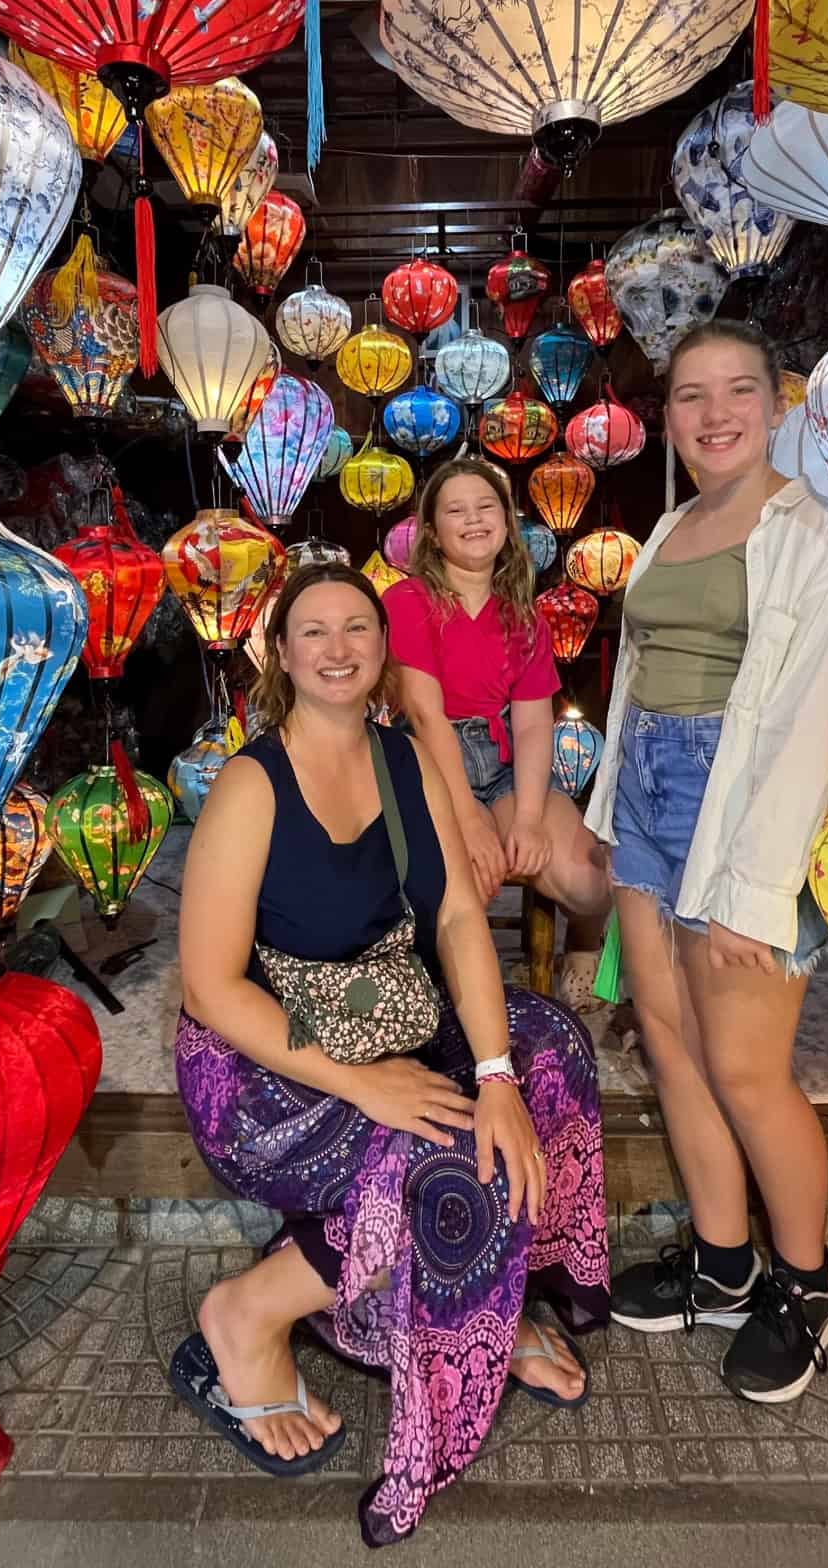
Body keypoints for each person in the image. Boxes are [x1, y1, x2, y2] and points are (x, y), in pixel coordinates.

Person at [173, 563, 609, 1547]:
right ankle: (244, 1313)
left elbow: (458, 911)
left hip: (391, 1011)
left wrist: (495, 1075)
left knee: (550, 1050)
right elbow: (209, 985)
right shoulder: (251, 782)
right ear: (281, 653)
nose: (338, 647)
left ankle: (496, 1298)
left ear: (383, 646)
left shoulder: (404, 753)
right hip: (264, 1066)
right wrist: (363, 1081)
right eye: (313, 631)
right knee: (433, 1152)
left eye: (357, 627)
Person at [585, 320, 828, 1405]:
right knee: (672, 1041)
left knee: (748, 1064)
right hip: (654, 803)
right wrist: (615, 813)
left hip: (745, 807)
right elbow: (636, 681)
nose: (715, 413)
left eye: (737, 389)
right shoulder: (669, 527)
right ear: (669, 417)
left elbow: (813, 728)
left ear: (774, 404)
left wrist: (759, 891)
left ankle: (807, 1281)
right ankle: (722, 1260)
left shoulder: (813, 541)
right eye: (693, 395)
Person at [385, 458, 610, 1005]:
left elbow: (533, 722)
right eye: (455, 511)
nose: (474, 519)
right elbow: (425, 714)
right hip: (432, 759)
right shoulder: (408, 601)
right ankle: (445, 992)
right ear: (433, 533)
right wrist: (467, 816)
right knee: (467, 877)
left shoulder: (524, 615)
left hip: (507, 757)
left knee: (587, 880)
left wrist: (529, 819)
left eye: (486, 507)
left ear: (507, 525)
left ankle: (585, 942)